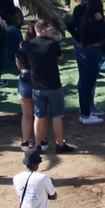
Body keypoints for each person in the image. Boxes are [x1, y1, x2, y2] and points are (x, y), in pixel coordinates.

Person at [18, 20, 74, 154]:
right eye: (50, 29)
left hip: (37, 87)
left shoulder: (27, 45)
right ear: (43, 31)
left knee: (39, 116)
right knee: (57, 116)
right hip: (53, 86)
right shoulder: (53, 44)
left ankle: (37, 145)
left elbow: (20, 55)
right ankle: (60, 145)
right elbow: (60, 57)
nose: (52, 32)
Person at [74, 0, 105, 125]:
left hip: (82, 51)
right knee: (88, 85)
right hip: (92, 53)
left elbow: (70, 25)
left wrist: (78, 39)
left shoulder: (83, 20)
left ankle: (84, 113)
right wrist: (101, 21)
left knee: (83, 82)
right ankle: (87, 114)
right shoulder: (94, 24)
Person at [17, 25, 39, 151]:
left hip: (25, 79)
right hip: (37, 80)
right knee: (39, 114)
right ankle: (40, 141)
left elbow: (18, 66)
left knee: (26, 114)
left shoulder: (21, 50)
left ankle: (25, 142)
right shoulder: (39, 49)